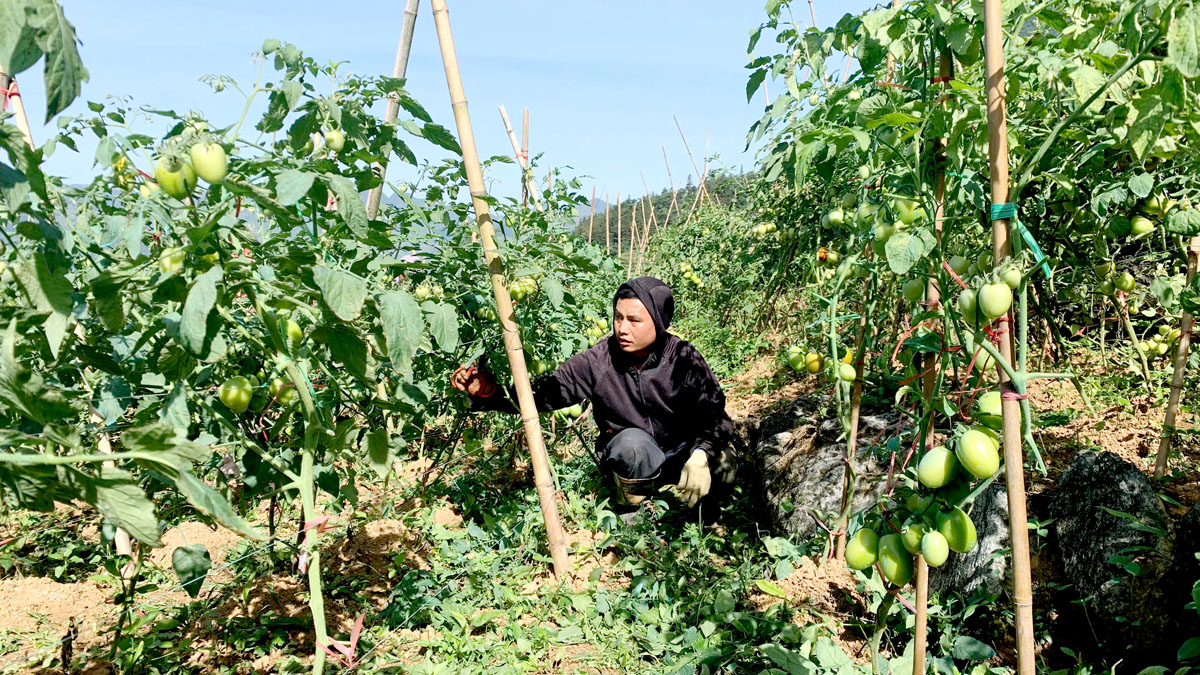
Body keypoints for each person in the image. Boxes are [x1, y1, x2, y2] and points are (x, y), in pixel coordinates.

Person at [451, 276, 736, 514]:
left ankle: (702, 514)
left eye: (634, 320)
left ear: (659, 322)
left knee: (724, 463)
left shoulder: (683, 358)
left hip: (683, 453)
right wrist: (491, 394)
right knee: (632, 444)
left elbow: (716, 416)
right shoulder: (598, 361)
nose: (623, 328)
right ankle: (633, 512)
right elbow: (544, 394)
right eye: (618, 317)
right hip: (635, 459)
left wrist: (701, 454)